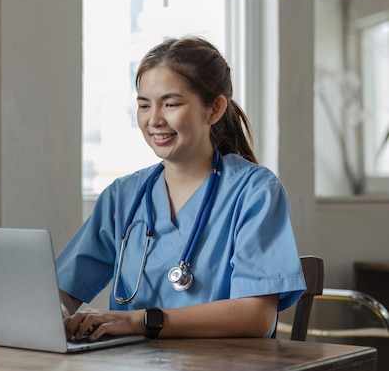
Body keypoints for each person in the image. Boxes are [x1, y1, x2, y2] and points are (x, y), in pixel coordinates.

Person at [57, 37, 306, 341]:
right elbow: (62, 291)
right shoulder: (122, 197)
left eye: (171, 104)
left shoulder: (254, 192)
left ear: (214, 109)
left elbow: (257, 316)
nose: (154, 120)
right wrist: (53, 313)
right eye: (144, 105)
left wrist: (142, 321)